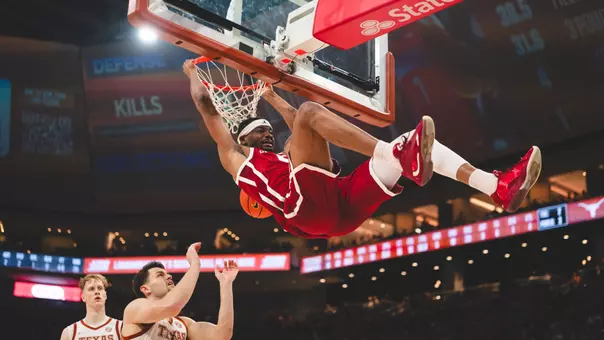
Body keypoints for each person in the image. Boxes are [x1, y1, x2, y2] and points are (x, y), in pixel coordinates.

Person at [182, 59, 541, 238]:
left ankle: (497, 187)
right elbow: (209, 110)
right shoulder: (238, 160)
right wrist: (193, 72)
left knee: (410, 143)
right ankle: (393, 155)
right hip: (304, 210)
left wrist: (273, 98)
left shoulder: (287, 154)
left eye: (267, 131)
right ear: (243, 138)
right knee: (309, 113)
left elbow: (301, 128)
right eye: (259, 132)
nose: (267, 135)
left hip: (338, 206)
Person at [121, 242, 238, 340]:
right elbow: (172, 305)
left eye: (167, 274)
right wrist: (195, 264)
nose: (169, 276)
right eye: (160, 275)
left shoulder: (183, 324)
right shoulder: (135, 308)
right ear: (145, 289)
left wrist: (226, 284)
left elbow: (222, 335)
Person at [60, 274, 121, 340]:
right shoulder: (70, 333)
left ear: (105, 295)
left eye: (100, 288)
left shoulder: (120, 327)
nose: (97, 292)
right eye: (91, 289)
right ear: (83, 297)